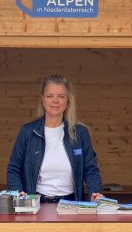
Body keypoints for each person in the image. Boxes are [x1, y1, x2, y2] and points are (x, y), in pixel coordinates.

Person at [7, 74, 104, 203]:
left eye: (61, 96)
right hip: (35, 205)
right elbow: (14, 169)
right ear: (42, 99)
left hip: (72, 204)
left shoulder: (80, 133)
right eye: (50, 96)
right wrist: (18, 192)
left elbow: (91, 169)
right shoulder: (28, 132)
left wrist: (95, 192)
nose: (55, 101)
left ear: (68, 100)